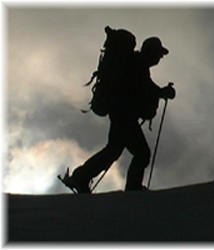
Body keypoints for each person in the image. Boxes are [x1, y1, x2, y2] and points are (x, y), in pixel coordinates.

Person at [69, 36, 176, 193]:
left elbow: (145, 87)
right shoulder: (138, 64)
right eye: (158, 54)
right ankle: (132, 189)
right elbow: (144, 88)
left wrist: (160, 92)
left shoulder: (137, 64)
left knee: (113, 150)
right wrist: (162, 92)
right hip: (124, 115)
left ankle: (81, 177)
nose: (160, 58)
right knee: (142, 153)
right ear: (150, 51)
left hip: (121, 113)